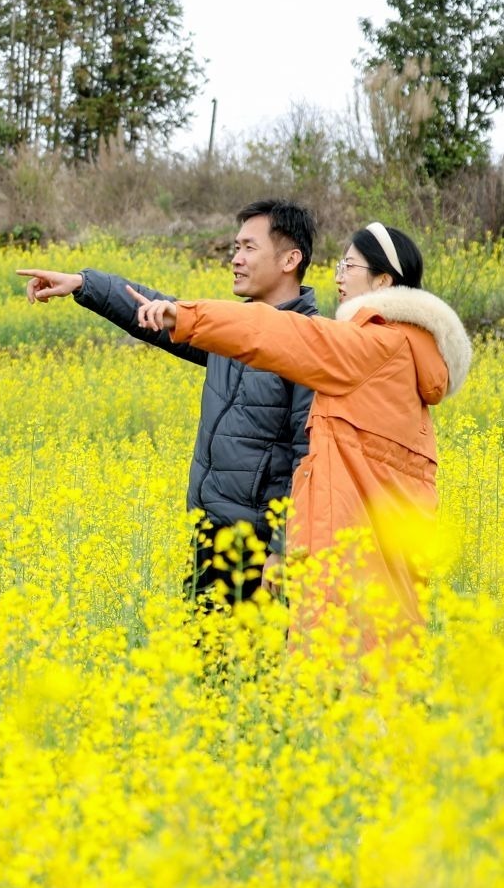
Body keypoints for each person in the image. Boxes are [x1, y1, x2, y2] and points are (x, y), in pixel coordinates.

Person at [121, 222, 472, 645]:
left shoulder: (373, 347)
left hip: (350, 561)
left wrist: (188, 316)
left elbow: (279, 333)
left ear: (383, 281)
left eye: (349, 266)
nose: (338, 276)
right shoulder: (409, 354)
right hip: (381, 558)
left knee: (339, 669)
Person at [17, 200, 319, 604]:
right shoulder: (231, 330)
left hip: (261, 550)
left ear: (290, 260)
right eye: (235, 248)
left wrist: (283, 547)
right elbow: (158, 313)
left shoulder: (310, 344)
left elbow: (308, 457)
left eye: (249, 247)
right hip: (210, 535)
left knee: (253, 647)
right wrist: (83, 285)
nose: (235, 259)